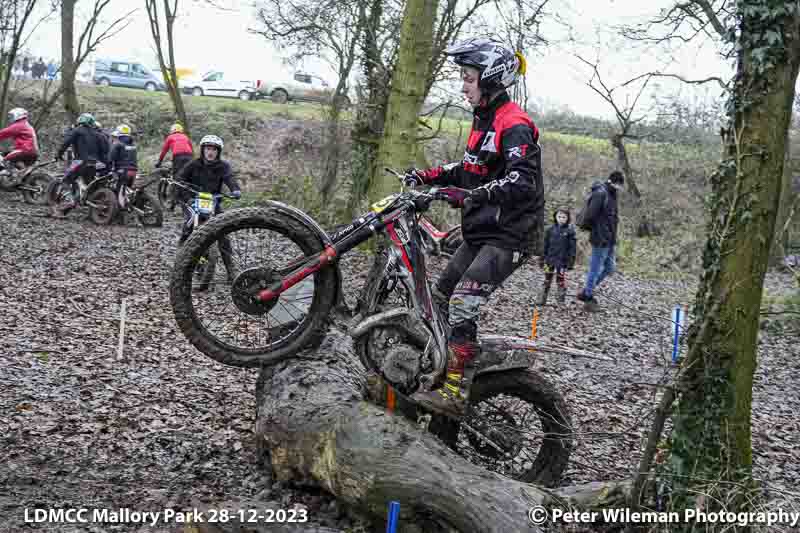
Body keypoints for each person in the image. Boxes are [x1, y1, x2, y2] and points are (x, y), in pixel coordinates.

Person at [402, 37, 544, 418]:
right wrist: (426, 177)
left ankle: (456, 392)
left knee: (464, 300)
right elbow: (469, 167)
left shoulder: (514, 124)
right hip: (482, 232)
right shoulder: (484, 120)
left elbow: (522, 183)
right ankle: (448, 366)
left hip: (511, 234)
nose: (463, 85)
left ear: (491, 78)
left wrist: (471, 196)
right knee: (441, 297)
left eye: (468, 78)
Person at [176, 134, 241, 245]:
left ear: (218, 151)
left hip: (213, 201)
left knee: (223, 231)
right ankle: (181, 253)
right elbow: (180, 179)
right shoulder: (194, 164)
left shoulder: (223, 166)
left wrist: (235, 189)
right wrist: (187, 198)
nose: (210, 152)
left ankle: (229, 261)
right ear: (203, 150)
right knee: (189, 225)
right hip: (193, 200)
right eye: (208, 149)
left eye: (214, 149)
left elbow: (229, 178)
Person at [576, 171, 624, 311]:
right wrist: (598, 233)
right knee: (595, 269)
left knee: (610, 268)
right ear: (611, 181)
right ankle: (588, 297)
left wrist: (613, 237)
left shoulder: (613, 194)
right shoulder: (601, 193)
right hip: (600, 238)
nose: (620, 187)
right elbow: (590, 216)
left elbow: (613, 218)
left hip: (610, 239)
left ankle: (586, 292)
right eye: (618, 184)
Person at [55, 112, 110, 214]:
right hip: (94, 163)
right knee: (89, 184)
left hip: (79, 161)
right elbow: (104, 150)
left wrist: (58, 154)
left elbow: (66, 142)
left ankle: (70, 200)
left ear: (80, 121)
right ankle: (88, 202)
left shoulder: (77, 130)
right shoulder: (97, 134)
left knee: (66, 180)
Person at [536, 207, 576, 306]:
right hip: (549, 260)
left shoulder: (570, 232)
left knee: (560, 280)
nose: (561, 219)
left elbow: (572, 248)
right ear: (555, 217)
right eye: (559, 216)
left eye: (564, 217)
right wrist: (542, 258)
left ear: (567, 218)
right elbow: (545, 246)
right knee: (547, 279)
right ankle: (541, 299)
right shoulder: (550, 230)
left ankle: (560, 301)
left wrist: (571, 262)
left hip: (562, 261)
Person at [0, 108, 39, 184]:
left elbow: (4, 133)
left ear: (18, 115)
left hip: (25, 150)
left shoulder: (19, 125)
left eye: (12, 116)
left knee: (5, 160)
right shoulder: (26, 124)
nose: (10, 118)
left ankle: (15, 178)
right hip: (33, 152)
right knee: (10, 156)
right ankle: (26, 181)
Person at [108, 124, 138, 208]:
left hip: (123, 171)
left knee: (119, 192)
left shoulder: (118, 144)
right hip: (134, 171)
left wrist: (110, 168)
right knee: (127, 189)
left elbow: (110, 158)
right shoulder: (133, 145)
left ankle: (120, 211)